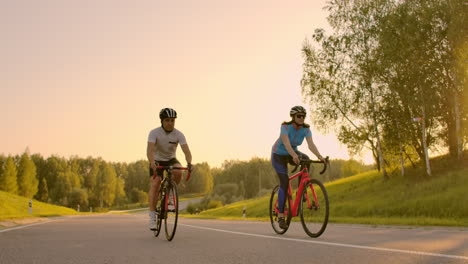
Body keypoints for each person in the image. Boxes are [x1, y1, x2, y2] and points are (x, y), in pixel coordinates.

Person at [271, 105, 325, 229]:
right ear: (293, 117)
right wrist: (294, 155)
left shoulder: (306, 129)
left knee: (306, 159)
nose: (301, 118)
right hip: (278, 155)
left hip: (292, 153)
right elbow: (286, 143)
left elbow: (311, 145)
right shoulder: (285, 127)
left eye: (303, 116)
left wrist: (320, 156)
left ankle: (303, 189)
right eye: (299, 116)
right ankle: (280, 215)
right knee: (284, 182)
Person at [147, 107, 192, 230]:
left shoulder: (179, 134)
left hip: (171, 159)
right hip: (156, 160)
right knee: (155, 183)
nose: (170, 123)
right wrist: (152, 163)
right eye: (167, 120)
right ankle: (152, 217)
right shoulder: (154, 132)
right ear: (162, 121)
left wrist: (189, 162)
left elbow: (186, 151)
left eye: (172, 120)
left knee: (178, 170)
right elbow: (150, 150)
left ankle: (171, 193)